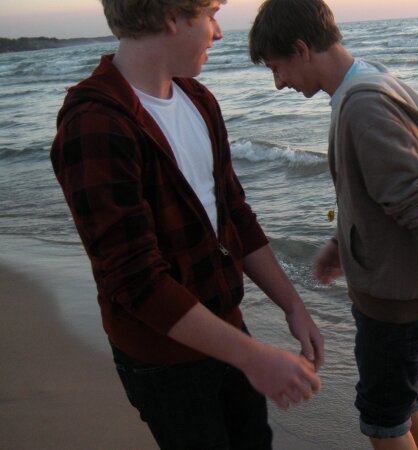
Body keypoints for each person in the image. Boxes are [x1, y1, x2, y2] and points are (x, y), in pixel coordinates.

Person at [50, 1, 324, 448]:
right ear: (171, 17)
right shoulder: (95, 123)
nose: (218, 31)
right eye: (211, 13)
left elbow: (235, 213)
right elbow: (136, 280)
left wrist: (292, 305)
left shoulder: (199, 99)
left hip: (227, 330)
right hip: (164, 359)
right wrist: (253, 358)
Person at [248, 1, 418, 448]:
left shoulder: (364, 106)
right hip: (394, 295)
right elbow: (376, 191)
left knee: (384, 421)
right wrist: (339, 240)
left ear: (301, 49)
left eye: (277, 68)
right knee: (407, 404)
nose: (279, 82)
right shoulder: (361, 84)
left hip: (396, 303)